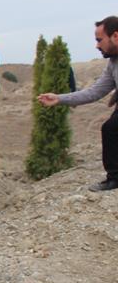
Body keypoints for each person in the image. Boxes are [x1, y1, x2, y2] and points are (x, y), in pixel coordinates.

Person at [39, 15, 118, 191]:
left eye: (99, 40)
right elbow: (94, 92)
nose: (97, 45)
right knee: (111, 129)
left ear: (116, 36)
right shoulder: (113, 63)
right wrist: (60, 98)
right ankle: (114, 179)